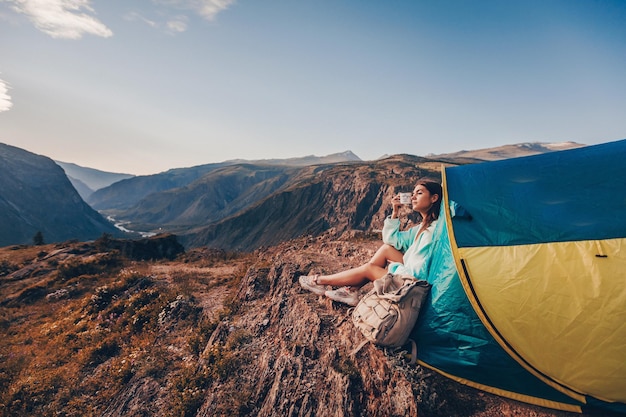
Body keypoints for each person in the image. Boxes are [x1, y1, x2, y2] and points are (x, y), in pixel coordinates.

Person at [299, 179, 442, 306]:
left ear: (434, 198)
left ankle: (319, 281)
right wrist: (395, 212)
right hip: (412, 277)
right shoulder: (422, 228)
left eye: (419, 193)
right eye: (413, 193)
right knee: (386, 249)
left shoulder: (436, 229)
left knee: (369, 268)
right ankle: (352, 290)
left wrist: (395, 268)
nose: (413, 197)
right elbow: (391, 240)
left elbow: (419, 270)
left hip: (414, 286)